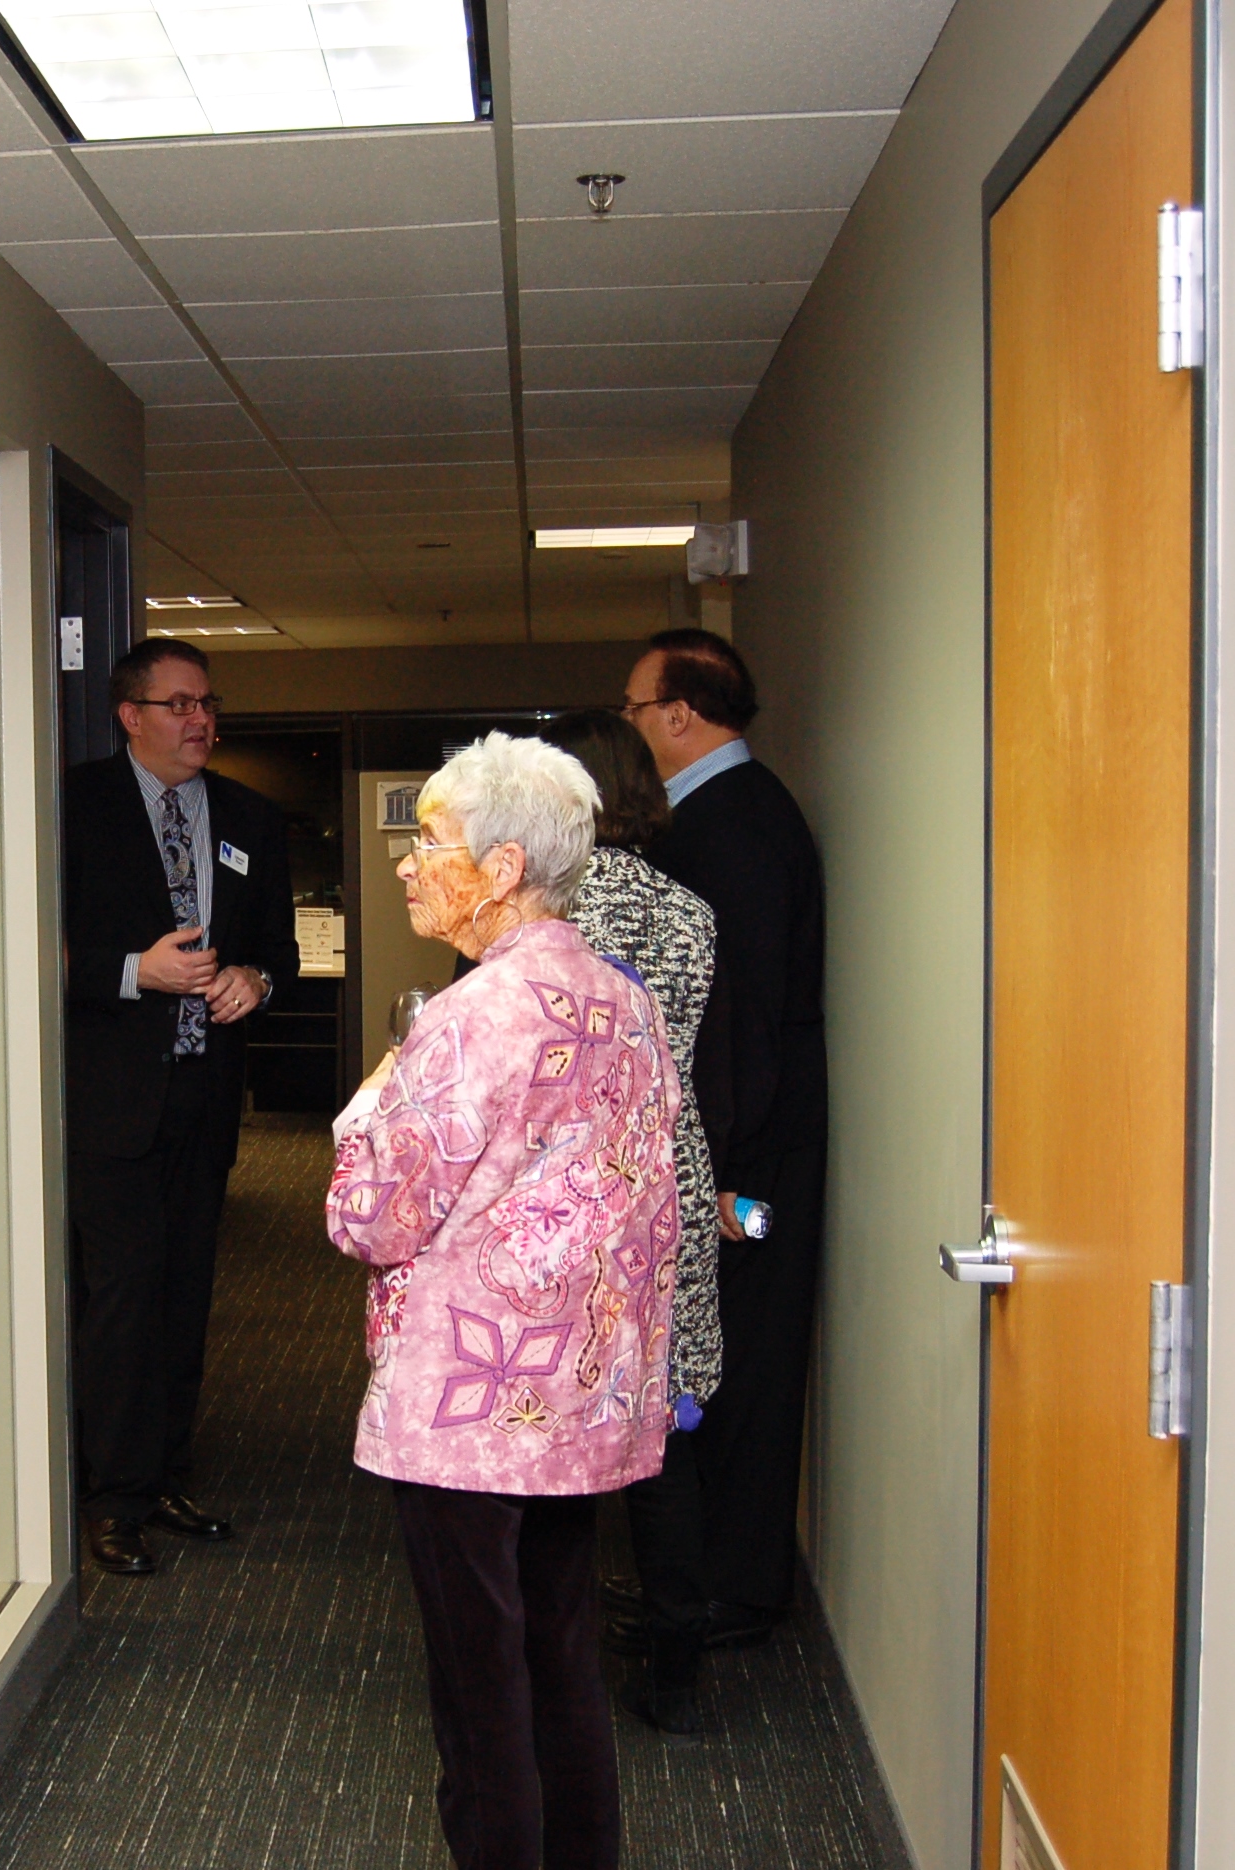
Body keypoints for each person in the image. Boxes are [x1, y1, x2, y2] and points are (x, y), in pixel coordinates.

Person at [328, 732, 681, 1870]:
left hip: (467, 1411)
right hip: (571, 1397)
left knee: (479, 1704)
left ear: (503, 867)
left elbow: (371, 1218)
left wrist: (367, 1103)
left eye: (430, 841)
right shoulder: (620, 1002)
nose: (407, 862)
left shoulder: (474, 1016)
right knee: (559, 1662)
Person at [63, 639, 295, 1577]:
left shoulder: (249, 816)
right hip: (110, 1101)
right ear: (131, 715)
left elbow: (278, 947)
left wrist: (255, 979)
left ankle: (164, 1473)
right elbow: (25, 949)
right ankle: (111, 1496)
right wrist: (136, 972)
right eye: (180, 705)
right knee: (122, 1300)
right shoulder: (70, 807)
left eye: (207, 704)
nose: (200, 720)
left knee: (185, 1296)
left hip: (204, 1099)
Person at [620, 626, 827, 1650]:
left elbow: (737, 1028)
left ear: (677, 714)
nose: (628, 726)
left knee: (739, 1368)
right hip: (732, 1144)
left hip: (745, 1157)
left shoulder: (732, 827)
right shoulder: (717, 815)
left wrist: (719, 1182)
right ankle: (700, 1578)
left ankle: (729, 1592)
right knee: (715, 1362)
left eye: (632, 708)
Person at [540, 708, 724, 1738]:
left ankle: (551, 1664)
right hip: (665, 1175)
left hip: (564, 1186)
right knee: (660, 1419)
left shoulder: (537, 916)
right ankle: (675, 1665)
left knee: (551, 1415)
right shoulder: (688, 911)